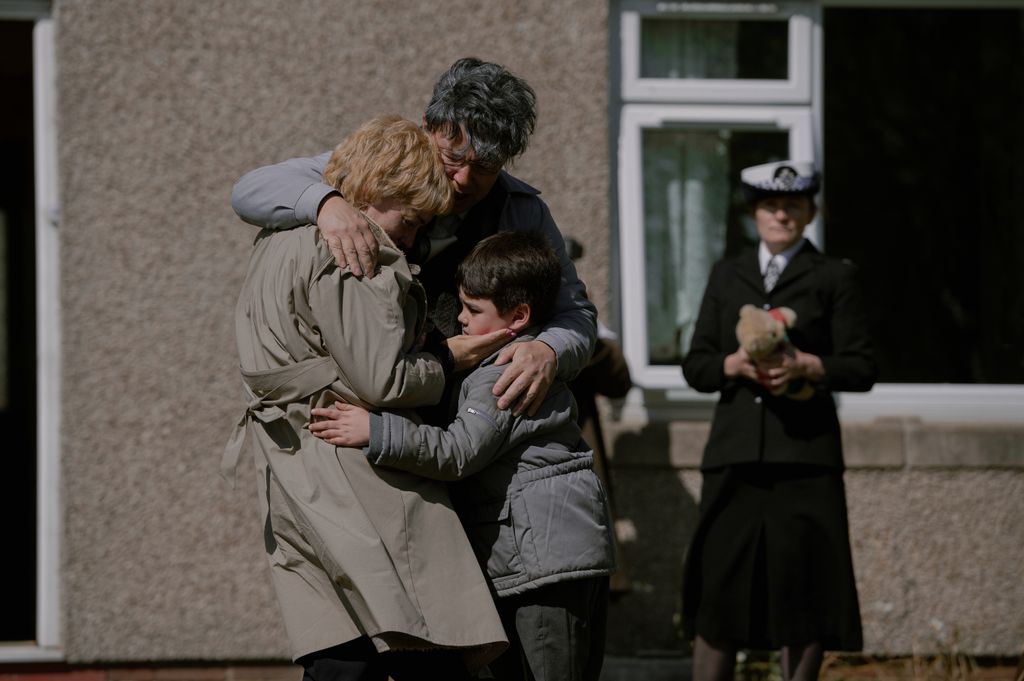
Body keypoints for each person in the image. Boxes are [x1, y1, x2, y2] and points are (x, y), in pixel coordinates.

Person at [223, 114, 509, 681]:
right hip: (354, 468)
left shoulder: (275, 240)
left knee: (339, 642)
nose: (411, 238)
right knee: (426, 637)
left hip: (287, 456)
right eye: (412, 219)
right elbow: (383, 381)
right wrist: (448, 359)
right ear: (379, 190)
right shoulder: (355, 248)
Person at [308, 231, 616, 681]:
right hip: (558, 556)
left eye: (473, 310)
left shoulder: (505, 372)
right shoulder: (519, 359)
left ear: (519, 316)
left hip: (543, 568)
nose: (461, 320)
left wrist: (375, 431)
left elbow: (457, 452)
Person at [231, 57, 597, 419]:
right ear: (428, 126)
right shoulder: (378, 168)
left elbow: (575, 314)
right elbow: (250, 189)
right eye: (454, 157)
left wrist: (550, 350)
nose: (463, 180)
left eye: (484, 167)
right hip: (377, 413)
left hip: (475, 417)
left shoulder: (521, 211)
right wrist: (326, 203)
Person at [680, 160, 877, 681]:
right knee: (720, 590)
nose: (782, 215)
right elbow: (697, 365)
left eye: (793, 205)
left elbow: (862, 367)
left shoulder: (834, 276)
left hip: (805, 458)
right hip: (734, 456)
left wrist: (808, 365)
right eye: (771, 206)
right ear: (754, 214)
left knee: (804, 593)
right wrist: (733, 365)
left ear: (811, 213)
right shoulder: (727, 274)